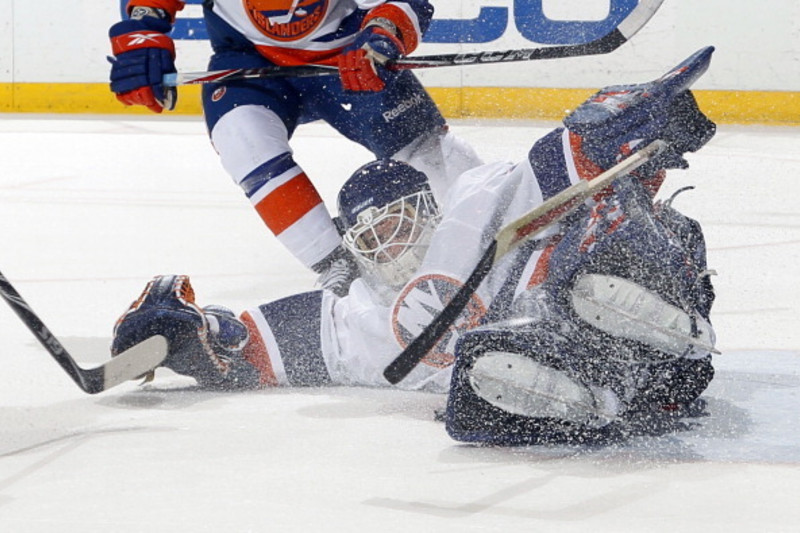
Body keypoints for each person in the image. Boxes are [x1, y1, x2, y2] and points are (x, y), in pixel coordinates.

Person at [111, 48, 718, 445]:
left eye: (398, 221)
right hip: (570, 361)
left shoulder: (475, 199)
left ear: (429, 206)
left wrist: (625, 121)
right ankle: (590, 393)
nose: (390, 245)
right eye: (371, 237)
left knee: (604, 259)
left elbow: (565, 158)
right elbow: (253, 346)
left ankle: (667, 331)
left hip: (615, 300)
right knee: (482, 384)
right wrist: (189, 336)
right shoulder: (357, 315)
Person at [107, 0, 483, 296]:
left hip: (348, 55)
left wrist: (381, 35)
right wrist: (140, 43)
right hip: (249, 61)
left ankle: (492, 230)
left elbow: (402, 3)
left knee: (430, 157)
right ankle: (338, 266)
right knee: (240, 137)